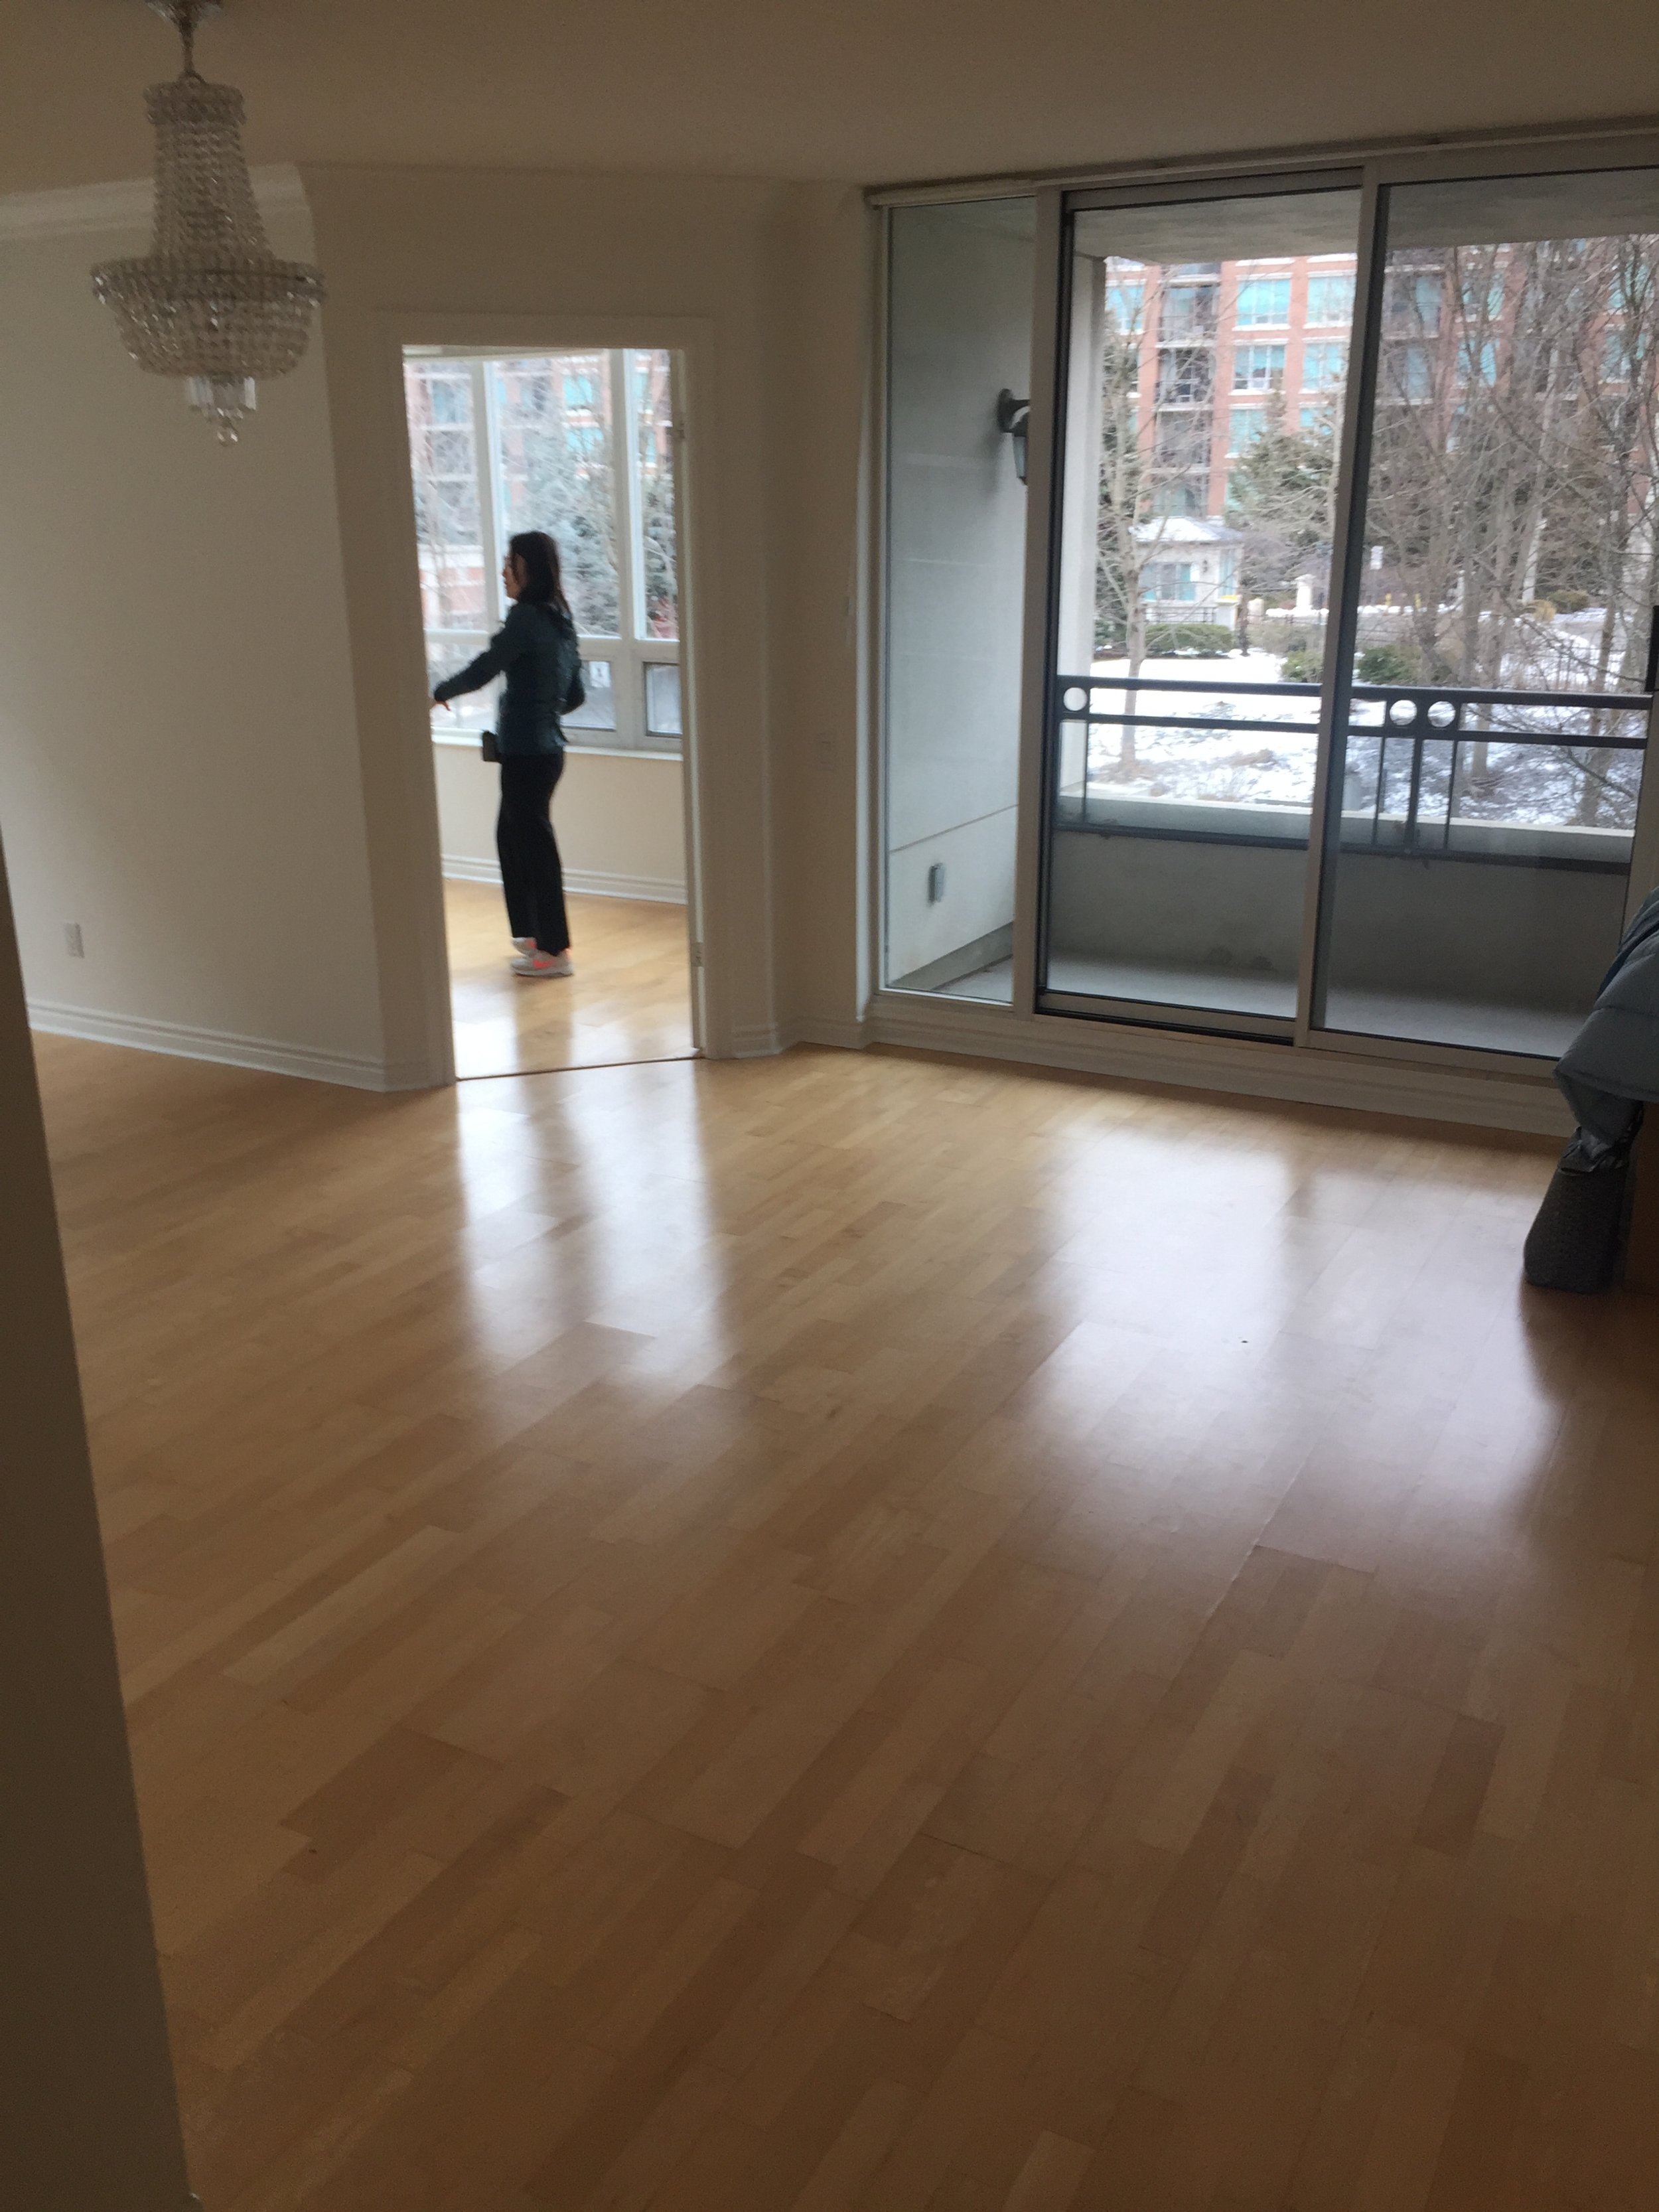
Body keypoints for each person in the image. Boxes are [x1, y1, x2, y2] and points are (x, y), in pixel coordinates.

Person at [432, 531, 582, 978]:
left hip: (528, 753)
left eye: (509, 563)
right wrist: (539, 708)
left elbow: (484, 668)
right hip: (545, 751)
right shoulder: (560, 619)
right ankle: (534, 937)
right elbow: (575, 693)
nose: (503, 572)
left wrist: (437, 692)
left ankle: (553, 951)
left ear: (528, 570)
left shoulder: (525, 619)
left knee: (532, 848)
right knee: (513, 838)